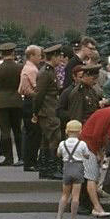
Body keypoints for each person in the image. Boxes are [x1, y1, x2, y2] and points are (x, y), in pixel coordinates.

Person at [30, 44, 64, 178]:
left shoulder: (50, 71)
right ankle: (51, 168)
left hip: (50, 109)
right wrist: (35, 112)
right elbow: (38, 95)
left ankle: (45, 168)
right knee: (55, 138)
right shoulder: (45, 73)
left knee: (47, 139)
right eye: (59, 57)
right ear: (53, 57)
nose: (60, 60)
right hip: (48, 110)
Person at [0, 42, 24, 165]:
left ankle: (8, 158)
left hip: (2, 102)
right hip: (16, 100)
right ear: (13, 53)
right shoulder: (20, 67)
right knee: (17, 130)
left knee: (5, 131)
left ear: (1, 54)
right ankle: (21, 157)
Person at [56, 121, 94, 219]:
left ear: (67, 131)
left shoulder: (62, 143)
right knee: (75, 196)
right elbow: (86, 155)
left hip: (67, 168)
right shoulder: (82, 144)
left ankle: (59, 217)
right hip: (78, 168)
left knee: (64, 195)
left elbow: (58, 153)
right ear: (80, 131)